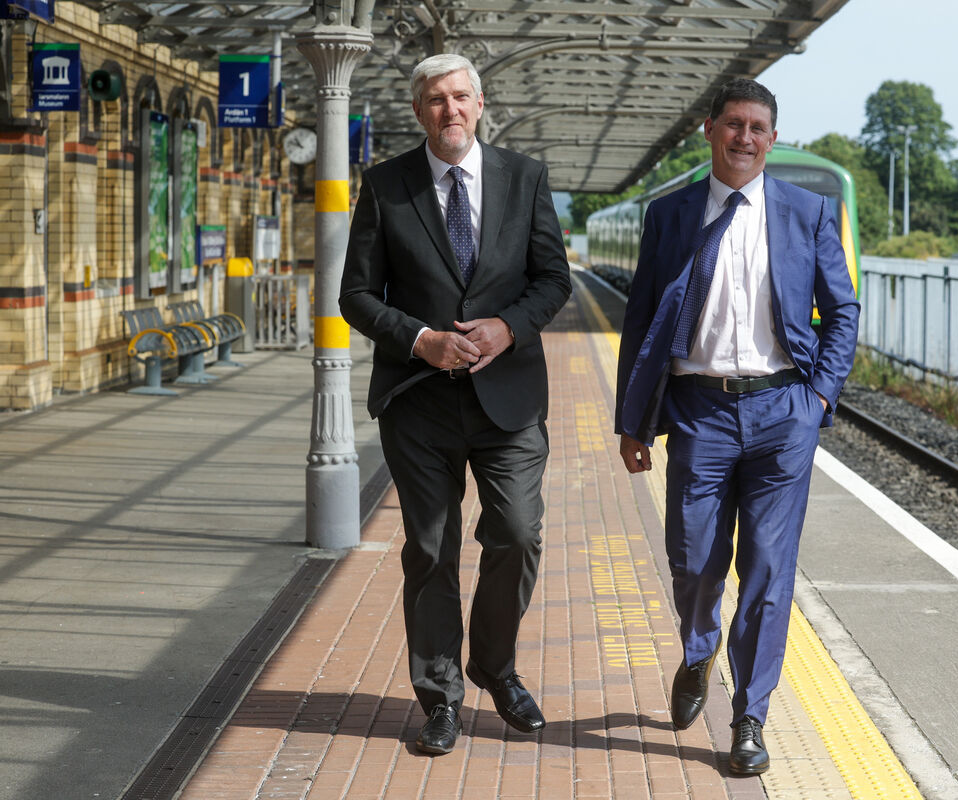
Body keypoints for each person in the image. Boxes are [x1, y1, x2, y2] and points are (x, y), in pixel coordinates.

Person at [614, 78, 859, 775]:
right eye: (733, 124)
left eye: (757, 128)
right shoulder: (669, 214)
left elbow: (842, 309)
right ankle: (699, 651)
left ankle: (749, 717)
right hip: (700, 411)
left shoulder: (808, 211)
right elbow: (642, 317)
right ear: (710, 130)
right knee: (693, 559)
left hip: (784, 411)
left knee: (768, 570)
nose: (744, 138)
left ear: (772, 139)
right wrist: (633, 421)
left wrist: (819, 397)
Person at [340, 53, 571, 755]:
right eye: (437, 99)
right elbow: (356, 296)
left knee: (518, 532)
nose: (451, 110)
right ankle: (440, 698)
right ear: (419, 110)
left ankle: (494, 666)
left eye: (461, 97)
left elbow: (552, 279)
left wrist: (508, 327)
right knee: (430, 549)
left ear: (480, 103)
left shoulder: (525, 177)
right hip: (420, 402)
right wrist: (421, 340)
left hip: (509, 400)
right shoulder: (385, 185)